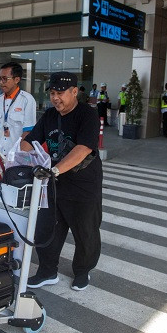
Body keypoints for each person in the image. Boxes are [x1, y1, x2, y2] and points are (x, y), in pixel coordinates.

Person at [22, 71, 102, 292]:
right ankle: (47, 271)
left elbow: (84, 148)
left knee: (85, 231)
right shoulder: (49, 115)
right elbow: (29, 142)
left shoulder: (87, 114)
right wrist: (14, 155)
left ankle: (83, 271)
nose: (55, 98)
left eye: (60, 93)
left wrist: (54, 170)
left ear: (74, 91)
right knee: (48, 229)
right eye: (52, 93)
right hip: (54, 184)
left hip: (83, 185)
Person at [0, 61, 37, 160]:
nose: (1, 82)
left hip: (18, 155)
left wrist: (16, 154)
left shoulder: (27, 100)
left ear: (17, 79)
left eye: (5, 79)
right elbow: (1, 129)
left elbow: (28, 132)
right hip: (1, 152)